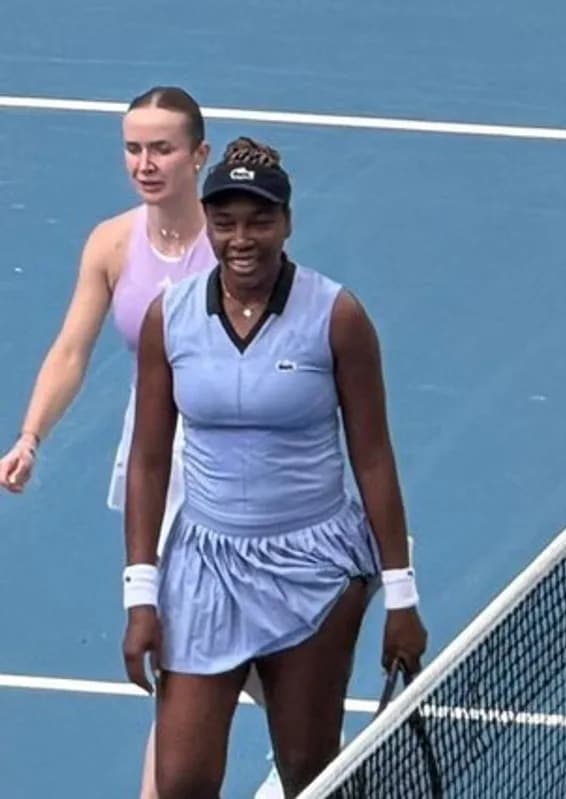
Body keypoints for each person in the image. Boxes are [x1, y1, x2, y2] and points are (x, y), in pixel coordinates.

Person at [120, 136, 428, 798]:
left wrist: (401, 596)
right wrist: (141, 593)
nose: (242, 239)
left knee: (308, 771)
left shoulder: (337, 317)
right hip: (203, 567)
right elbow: (147, 460)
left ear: (287, 223)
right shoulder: (168, 319)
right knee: (181, 781)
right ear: (207, 223)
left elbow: (373, 457)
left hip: (312, 567)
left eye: (260, 220)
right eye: (225, 221)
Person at [0, 85, 285, 799]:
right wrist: (31, 435)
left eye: (162, 148)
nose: (145, 163)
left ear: (199, 155)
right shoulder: (111, 243)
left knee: (236, 637)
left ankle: (309, 749)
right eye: (133, 149)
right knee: (185, 641)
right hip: (157, 463)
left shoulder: (235, 246)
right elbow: (72, 348)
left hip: (236, 460)